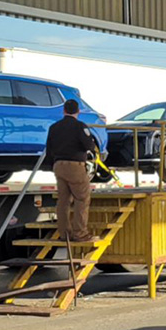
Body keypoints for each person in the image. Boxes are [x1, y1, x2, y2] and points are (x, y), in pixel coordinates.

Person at [46, 99, 100, 244]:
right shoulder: (80, 126)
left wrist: (53, 165)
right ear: (78, 111)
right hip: (75, 165)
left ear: (63, 110)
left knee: (63, 201)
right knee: (81, 199)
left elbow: (48, 149)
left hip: (58, 165)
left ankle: (64, 233)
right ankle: (80, 234)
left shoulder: (54, 127)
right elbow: (89, 145)